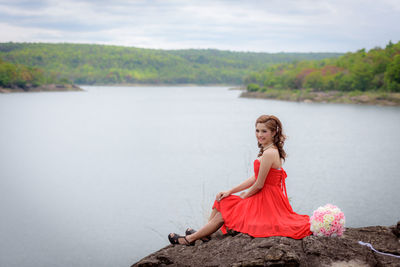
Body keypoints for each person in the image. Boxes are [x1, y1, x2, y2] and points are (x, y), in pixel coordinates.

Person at [168, 115, 312, 245]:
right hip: (264, 195)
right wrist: (231, 190)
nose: (259, 135)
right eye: (257, 130)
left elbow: (260, 184)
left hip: (267, 200)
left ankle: (189, 239)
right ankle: (204, 234)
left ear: (274, 132)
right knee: (222, 198)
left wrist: (243, 197)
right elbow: (255, 177)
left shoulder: (270, 153)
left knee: (227, 211)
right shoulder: (269, 150)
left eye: (264, 131)